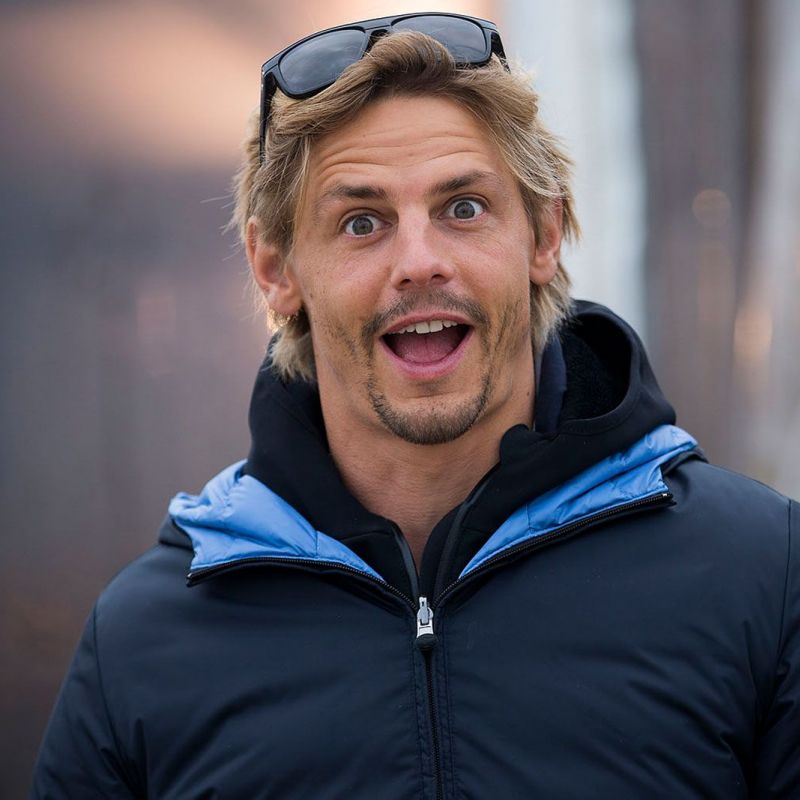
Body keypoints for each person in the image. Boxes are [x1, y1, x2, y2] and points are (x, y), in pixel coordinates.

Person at [32, 13, 798, 799]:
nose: (419, 262)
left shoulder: (764, 573)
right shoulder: (142, 641)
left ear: (544, 233)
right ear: (275, 269)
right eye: (361, 222)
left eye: (463, 207)